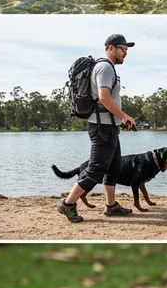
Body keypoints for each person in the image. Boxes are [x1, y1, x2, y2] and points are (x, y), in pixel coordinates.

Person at [58, 34, 137, 223]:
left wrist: (120, 119)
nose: (125, 53)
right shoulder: (105, 68)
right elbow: (103, 97)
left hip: (108, 125)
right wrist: (124, 116)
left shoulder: (105, 67)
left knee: (114, 166)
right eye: (122, 49)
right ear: (111, 47)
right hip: (102, 127)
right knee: (95, 169)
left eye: (126, 50)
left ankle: (111, 206)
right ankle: (68, 203)